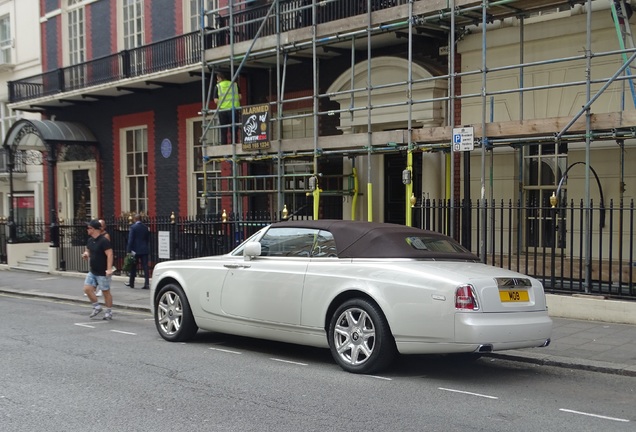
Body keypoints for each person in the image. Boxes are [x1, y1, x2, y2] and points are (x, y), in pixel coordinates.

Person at [82, 219, 115, 320]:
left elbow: (110, 254)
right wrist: (86, 254)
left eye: (88, 228)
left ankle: (109, 312)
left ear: (93, 229)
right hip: (93, 270)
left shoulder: (104, 241)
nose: (87, 230)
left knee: (106, 292)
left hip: (102, 272)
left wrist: (109, 269)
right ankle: (97, 307)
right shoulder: (90, 240)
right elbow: (88, 250)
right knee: (87, 289)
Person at [213, 71, 241, 144]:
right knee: (234, 129)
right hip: (234, 109)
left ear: (220, 78)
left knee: (223, 130)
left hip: (222, 110)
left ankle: (224, 147)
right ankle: (234, 145)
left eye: (217, 79)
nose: (217, 80)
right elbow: (240, 97)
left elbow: (216, 100)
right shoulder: (235, 85)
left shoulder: (218, 86)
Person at [125, 213, 150, 289]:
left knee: (133, 266)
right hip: (144, 249)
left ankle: (131, 283)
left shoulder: (133, 227)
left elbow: (130, 240)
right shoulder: (145, 227)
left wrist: (128, 250)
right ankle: (147, 283)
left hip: (135, 250)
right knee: (145, 267)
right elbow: (147, 239)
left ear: (135, 219)